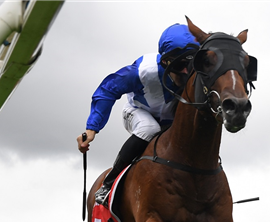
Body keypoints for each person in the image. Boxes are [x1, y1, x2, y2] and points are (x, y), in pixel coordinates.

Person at [76, 23, 200, 206]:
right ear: (165, 62)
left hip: (172, 119)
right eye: (180, 64)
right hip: (138, 112)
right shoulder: (142, 72)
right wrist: (92, 128)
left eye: (190, 65)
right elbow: (107, 90)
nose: (185, 71)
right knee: (150, 128)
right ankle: (109, 183)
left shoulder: (198, 73)